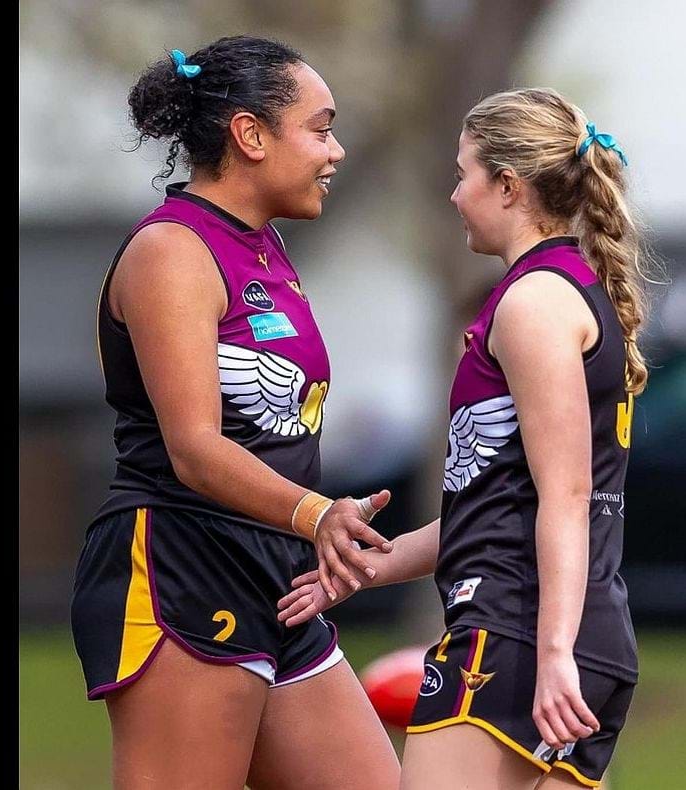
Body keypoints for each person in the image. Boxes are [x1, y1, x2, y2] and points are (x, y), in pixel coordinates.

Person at [276, 88, 646, 790]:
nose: (454, 195)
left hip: (518, 637)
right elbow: (502, 508)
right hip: (570, 637)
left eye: (463, 173)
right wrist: (362, 570)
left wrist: (553, 650)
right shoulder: (564, 290)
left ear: (507, 186)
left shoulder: (533, 304)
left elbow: (567, 496)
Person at [68, 36, 400, 788]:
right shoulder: (171, 251)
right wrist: (318, 514)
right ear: (250, 135)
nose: (336, 150)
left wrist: (316, 531)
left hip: (278, 578)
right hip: (181, 562)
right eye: (320, 128)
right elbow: (194, 448)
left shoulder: (266, 247)